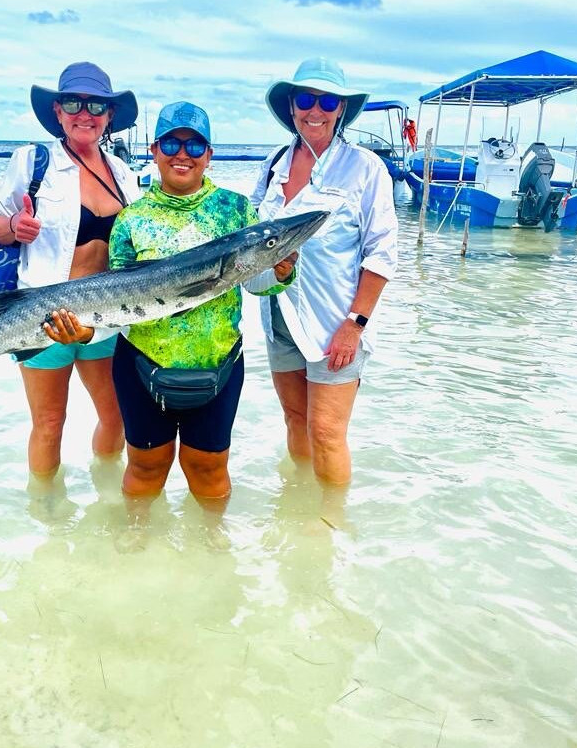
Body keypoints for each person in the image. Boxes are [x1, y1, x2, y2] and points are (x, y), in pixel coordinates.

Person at [107, 101, 295, 503]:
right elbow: (116, 300)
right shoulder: (130, 220)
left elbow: (255, 284)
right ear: (154, 150)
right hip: (141, 363)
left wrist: (280, 274)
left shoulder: (237, 209)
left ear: (209, 155)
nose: (182, 154)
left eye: (195, 146)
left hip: (219, 362)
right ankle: (131, 550)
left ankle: (212, 553)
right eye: (172, 143)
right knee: (144, 468)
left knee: (209, 469)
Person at [0, 62, 141, 478]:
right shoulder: (33, 162)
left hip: (106, 319)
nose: (84, 113)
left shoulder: (124, 174)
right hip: (42, 317)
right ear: (57, 111)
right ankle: (47, 519)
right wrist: (14, 227)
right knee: (49, 424)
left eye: (96, 105)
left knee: (116, 418)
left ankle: (106, 496)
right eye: (73, 102)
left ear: (109, 116)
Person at [251, 57, 398, 485]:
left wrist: (355, 324)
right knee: (295, 420)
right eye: (305, 98)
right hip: (278, 315)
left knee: (328, 433)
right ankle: (297, 508)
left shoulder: (365, 168)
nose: (315, 109)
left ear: (340, 109)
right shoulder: (273, 164)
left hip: (336, 320)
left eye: (327, 100)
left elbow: (382, 252)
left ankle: (331, 526)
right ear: (291, 106)